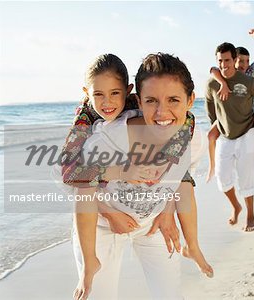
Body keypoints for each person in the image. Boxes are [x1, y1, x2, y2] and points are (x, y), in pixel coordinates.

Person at [69, 53, 212, 300]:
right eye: (151, 101)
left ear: (190, 101)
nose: (161, 112)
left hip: (152, 222)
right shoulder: (104, 139)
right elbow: (77, 187)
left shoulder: (193, 139)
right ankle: (92, 263)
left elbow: (180, 179)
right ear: (138, 100)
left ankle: (192, 247)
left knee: (169, 294)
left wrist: (167, 210)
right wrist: (110, 213)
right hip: (102, 227)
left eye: (174, 100)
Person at [205, 42, 254, 231]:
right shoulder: (212, 82)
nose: (224, 64)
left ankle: (250, 215)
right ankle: (236, 206)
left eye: (227, 60)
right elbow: (209, 102)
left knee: (246, 179)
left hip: (247, 134)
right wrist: (215, 121)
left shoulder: (248, 80)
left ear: (234, 60)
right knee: (222, 179)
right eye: (220, 61)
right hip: (225, 137)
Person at [206, 29, 254, 182]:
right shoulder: (222, 73)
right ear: (234, 60)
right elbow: (213, 69)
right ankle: (212, 166)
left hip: (247, 113)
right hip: (227, 117)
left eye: (247, 61)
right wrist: (222, 83)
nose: (244, 65)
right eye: (241, 61)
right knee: (211, 135)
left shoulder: (249, 74)